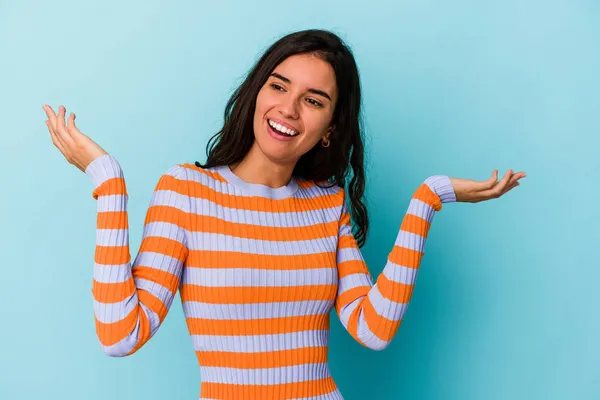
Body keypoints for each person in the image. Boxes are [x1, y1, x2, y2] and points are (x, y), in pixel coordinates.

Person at [43, 29, 525, 400]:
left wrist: (428, 199)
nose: (289, 109)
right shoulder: (185, 192)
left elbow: (373, 329)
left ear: (331, 128)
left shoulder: (325, 202)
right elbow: (120, 333)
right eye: (279, 86)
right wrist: (108, 183)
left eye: (313, 100)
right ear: (257, 93)